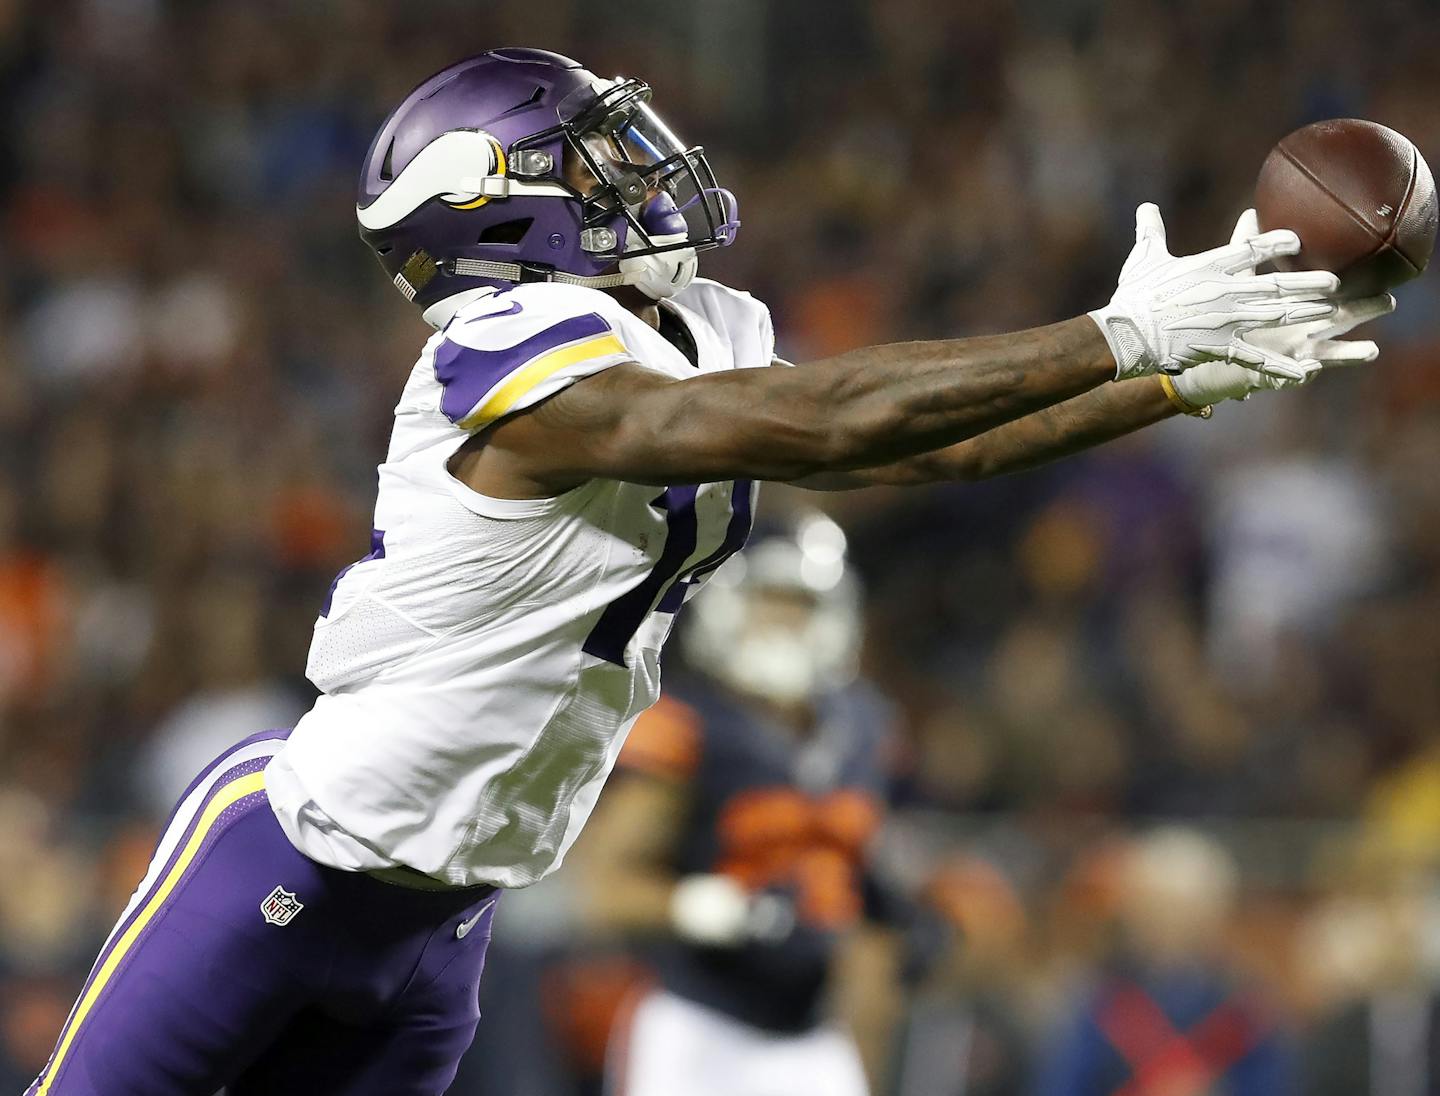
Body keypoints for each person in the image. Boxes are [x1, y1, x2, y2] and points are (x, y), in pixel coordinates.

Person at [27, 46, 1391, 1096]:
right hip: (290, 862)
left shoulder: (690, 324)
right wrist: (1112, 330)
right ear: (498, 216)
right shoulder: (498, 351)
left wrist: (1180, 375)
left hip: (445, 925)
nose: (636, 171)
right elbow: (821, 419)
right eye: (588, 160)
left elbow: (929, 455)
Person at [578, 510, 902, 1096]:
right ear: (729, 604)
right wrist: (699, 907)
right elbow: (604, 889)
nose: (784, 621)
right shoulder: (685, 723)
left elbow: (862, 892)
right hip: (700, 1027)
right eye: (769, 599)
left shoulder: (864, 726)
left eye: (800, 603)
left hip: (815, 1032)